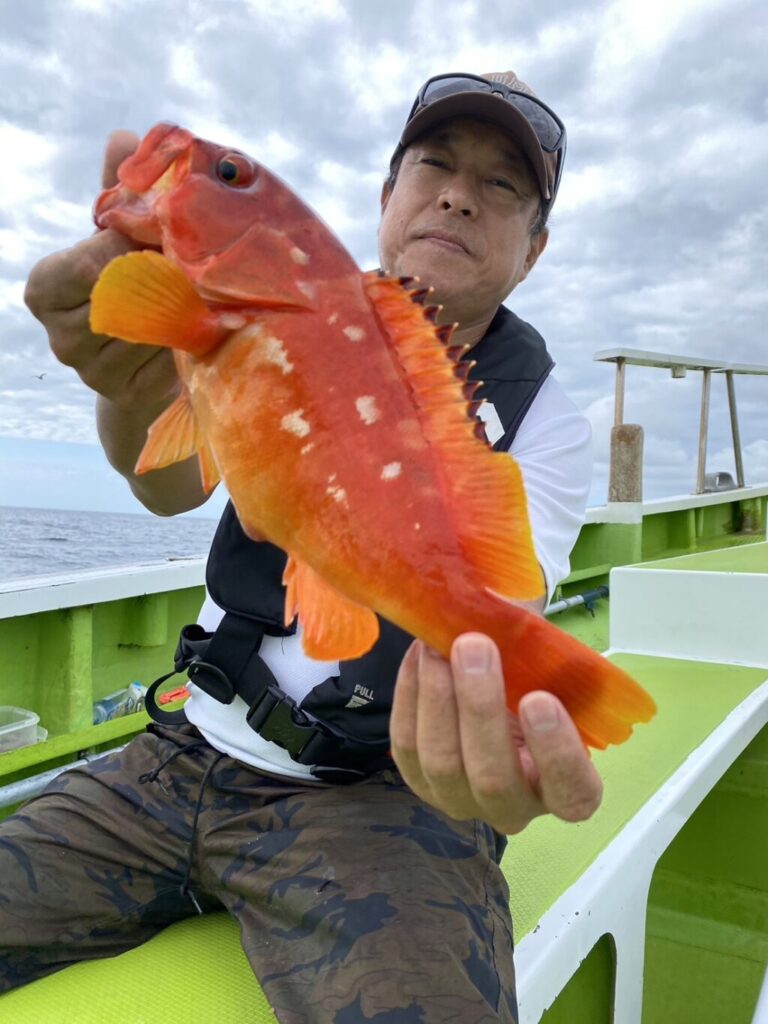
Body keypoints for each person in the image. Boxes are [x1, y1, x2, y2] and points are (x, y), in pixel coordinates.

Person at [3, 71, 601, 1022]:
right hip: (180, 752)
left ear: (533, 250)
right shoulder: (290, 308)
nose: (457, 195)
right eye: (435, 165)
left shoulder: (549, 421)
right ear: (388, 196)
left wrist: (491, 734)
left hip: (380, 802)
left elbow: (503, 598)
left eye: (502, 186)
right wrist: (128, 385)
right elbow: (164, 484)